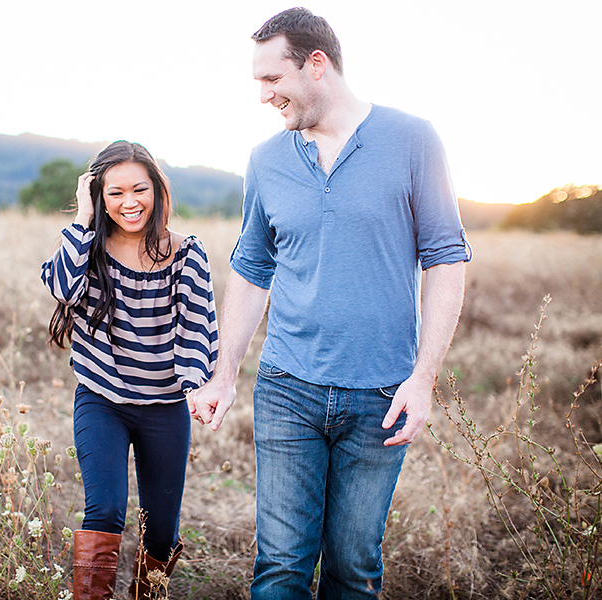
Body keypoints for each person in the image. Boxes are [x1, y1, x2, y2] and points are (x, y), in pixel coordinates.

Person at [187, 7, 470, 600]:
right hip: (288, 387)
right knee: (281, 568)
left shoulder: (413, 140)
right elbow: (253, 267)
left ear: (316, 65)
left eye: (272, 80)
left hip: (381, 396)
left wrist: (423, 379)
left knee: (353, 571)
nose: (263, 96)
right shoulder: (266, 161)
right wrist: (223, 374)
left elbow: (445, 256)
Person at [41, 141, 219, 599]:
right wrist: (82, 219)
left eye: (139, 189)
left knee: (160, 532)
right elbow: (61, 288)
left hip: (164, 408)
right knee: (105, 511)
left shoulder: (186, 254)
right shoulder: (87, 248)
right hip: (102, 401)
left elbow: (195, 330)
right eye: (114, 193)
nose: (129, 202)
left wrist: (195, 386)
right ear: (99, 196)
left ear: (157, 191)